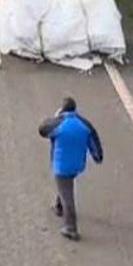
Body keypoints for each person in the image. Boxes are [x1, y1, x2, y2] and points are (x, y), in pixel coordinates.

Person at [38, 97, 102, 241]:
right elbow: (95, 146)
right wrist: (97, 157)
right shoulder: (84, 124)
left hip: (61, 166)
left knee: (67, 194)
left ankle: (70, 228)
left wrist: (57, 117)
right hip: (77, 165)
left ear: (62, 110)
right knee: (65, 186)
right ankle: (59, 206)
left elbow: (42, 129)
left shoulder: (59, 123)